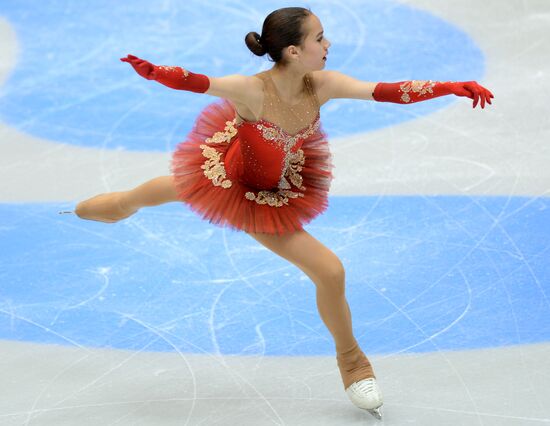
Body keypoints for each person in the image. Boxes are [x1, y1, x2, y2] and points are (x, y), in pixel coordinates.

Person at [63, 6, 494, 420]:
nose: (328, 43)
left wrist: (451, 86)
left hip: (275, 192)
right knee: (129, 202)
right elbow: (200, 82)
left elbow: (383, 91)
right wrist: (158, 73)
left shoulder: (322, 84)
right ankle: (80, 211)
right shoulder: (252, 89)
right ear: (293, 51)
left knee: (330, 272)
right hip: (227, 183)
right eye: (319, 37)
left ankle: (353, 363)